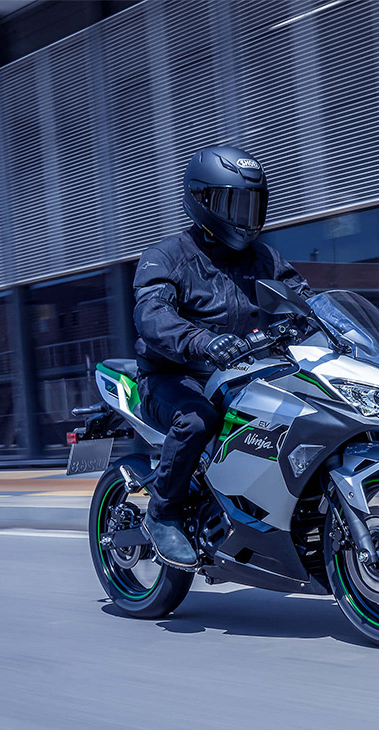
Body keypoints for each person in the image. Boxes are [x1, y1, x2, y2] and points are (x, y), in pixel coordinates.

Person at [132, 145, 314, 568]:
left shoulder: (265, 259)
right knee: (198, 420)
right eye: (234, 205)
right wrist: (200, 341)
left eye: (252, 205)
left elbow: (305, 299)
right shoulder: (167, 256)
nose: (245, 217)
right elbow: (151, 314)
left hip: (244, 372)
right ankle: (162, 513)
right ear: (202, 200)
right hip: (175, 376)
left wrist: (337, 328)